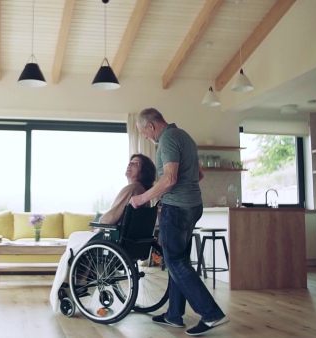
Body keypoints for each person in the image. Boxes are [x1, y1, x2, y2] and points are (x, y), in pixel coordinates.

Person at [129, 108, 228, 336]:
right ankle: (174, 315)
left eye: (144, 131)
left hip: (176, 208)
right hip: (193, 206)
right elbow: (199, 175)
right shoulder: (185, 137)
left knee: (175, 261)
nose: (145, 136)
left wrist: (143, 198)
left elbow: (170, 178)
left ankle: (211, 313)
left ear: (151, 126)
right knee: (179, 260)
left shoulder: (168, 139)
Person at [49, 153, 156, 312]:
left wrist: (99, 226)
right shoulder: (142, 191)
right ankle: (81, 280)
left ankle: (74, 284)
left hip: (115, 238)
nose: (130, 164)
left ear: (144, 171)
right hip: (131, 241)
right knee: (81, 242)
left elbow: (111, 217)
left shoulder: (132, 188)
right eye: (130, 162)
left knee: (74, 239)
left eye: (135, 163)